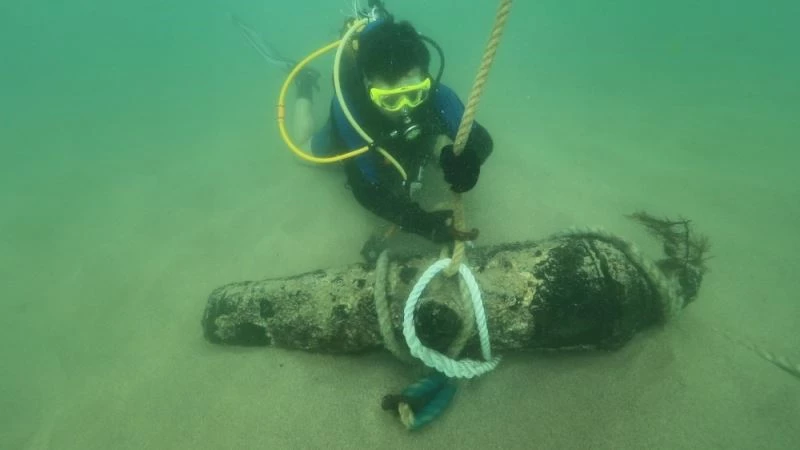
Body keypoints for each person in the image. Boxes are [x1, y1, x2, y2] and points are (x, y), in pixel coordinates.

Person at [291, 8, 494, 250]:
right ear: (368, 84)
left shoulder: (436, 93)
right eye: (391, 100)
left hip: (404, 146)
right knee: (300, 150)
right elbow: (365, 189)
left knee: (425, 140)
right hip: (361, 137)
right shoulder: (350, 109)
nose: (404, 109)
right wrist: (422, 223)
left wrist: (471, 160)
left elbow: (481, 138)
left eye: (414, 95)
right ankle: (304, 86)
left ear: (424, 78)